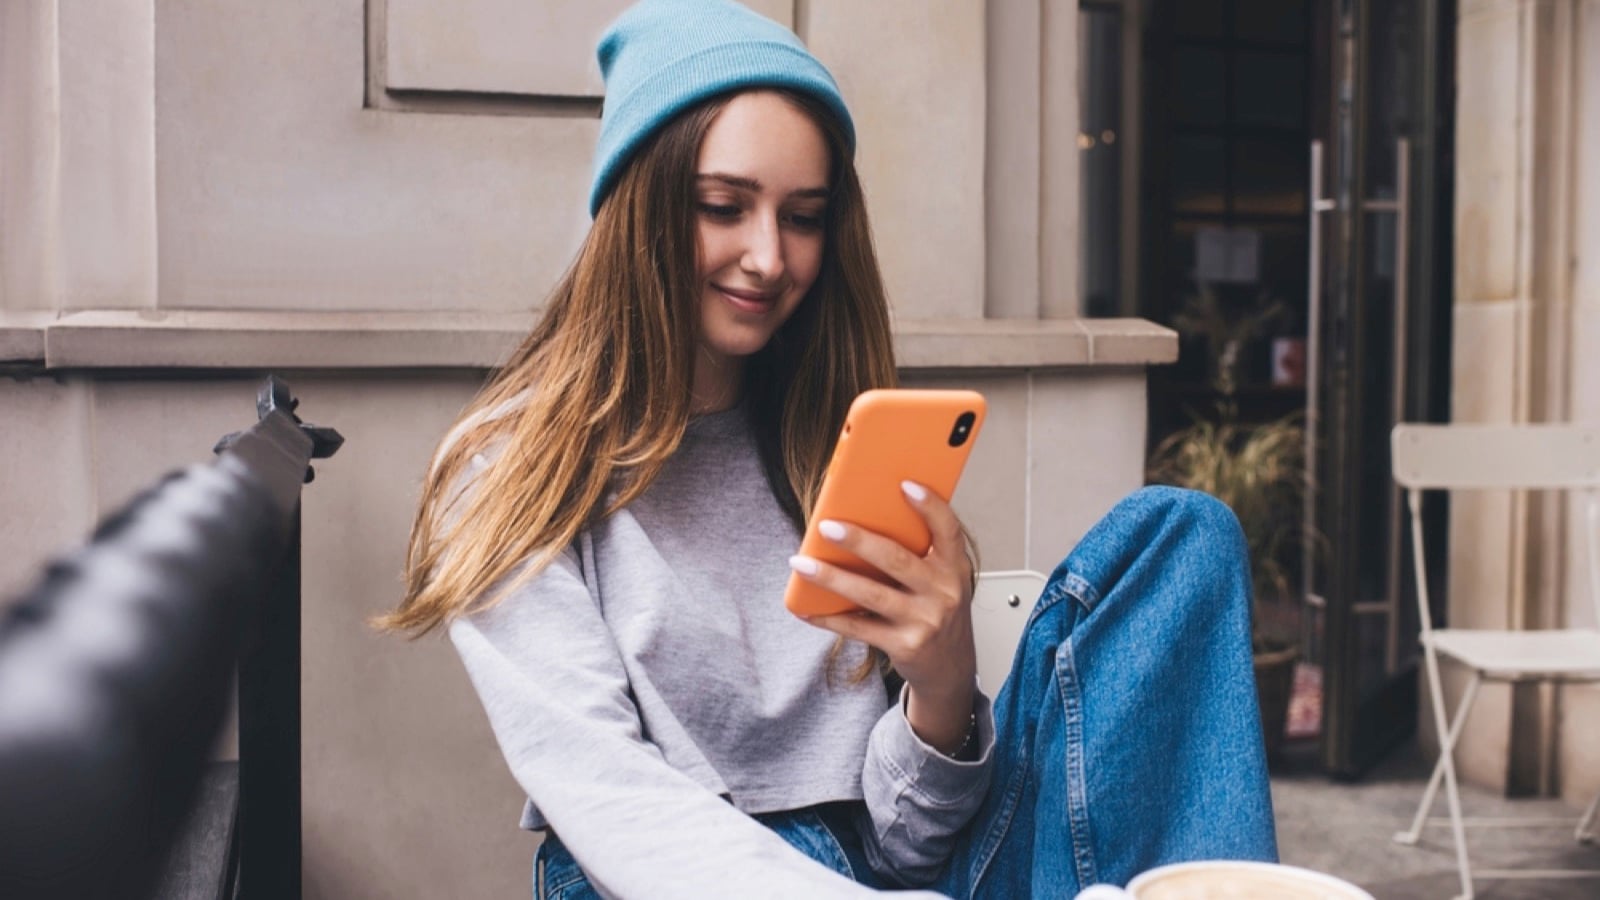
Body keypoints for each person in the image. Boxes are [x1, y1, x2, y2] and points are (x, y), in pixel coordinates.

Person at [377, 1, 1278, 896]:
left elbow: (903, 851)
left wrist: (941, 689)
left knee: (1182, 535)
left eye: (803, 216)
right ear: (638, 208)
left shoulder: (826, 447)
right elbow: (613, 805)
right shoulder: (512, 468)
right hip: (659, 877)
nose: (768, 257)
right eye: (723, 206)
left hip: (890, 872)